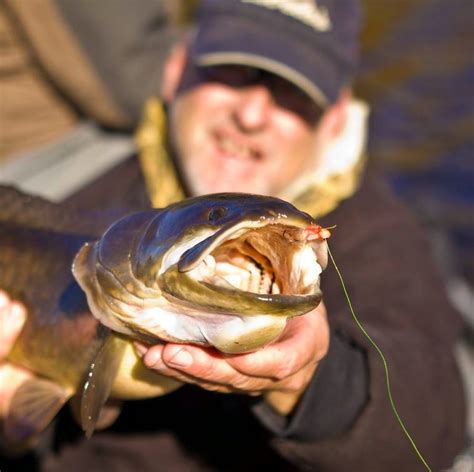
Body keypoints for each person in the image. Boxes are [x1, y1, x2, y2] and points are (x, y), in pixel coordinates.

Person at [0, 1, 467, 470]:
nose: (252, 114)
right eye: (235, 72)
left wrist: (307, 379)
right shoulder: (86, 190)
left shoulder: (382, 237)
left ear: (337, 118)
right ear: (176, 69)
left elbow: (433, 426)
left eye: (292, 93)